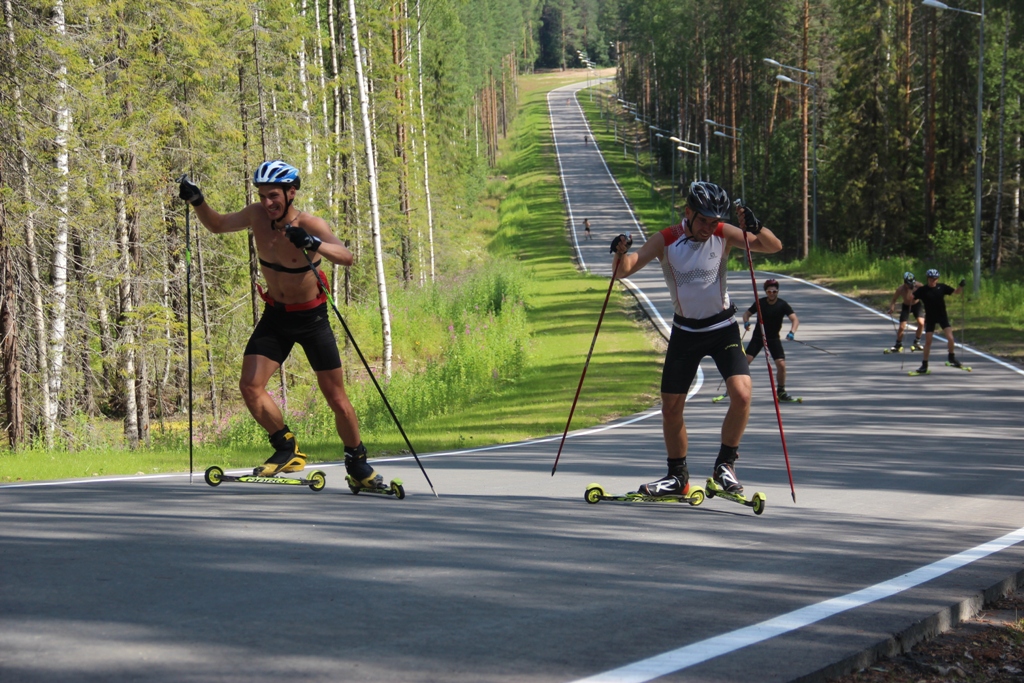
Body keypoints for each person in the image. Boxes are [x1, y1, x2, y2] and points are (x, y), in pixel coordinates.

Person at [177, 161, 387, 489]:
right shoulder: (256, 216)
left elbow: (347, 257)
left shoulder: (310, 223)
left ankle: (357, 464)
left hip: (312, 318)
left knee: (336, 397)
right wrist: (198, 201)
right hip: (276, 317)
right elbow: (217, 225)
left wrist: (312, 243)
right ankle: (286, 447)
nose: (266, 203)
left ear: (291, 193)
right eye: (261, 195)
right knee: (250, 386)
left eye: (273, 195)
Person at [610, 181, 782, 496]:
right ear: (688, 212)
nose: (708, 227)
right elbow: (625, 270)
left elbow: (773, 246)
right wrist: (621, 252)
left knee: (742, 395)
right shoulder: (666, 239)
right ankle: (677, 477)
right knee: (671, 407)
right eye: (703, 219)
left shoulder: (723, 233)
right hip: (686, 332)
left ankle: (725, 465)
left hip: (722, 327)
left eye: (714, 220)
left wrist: (756, 226)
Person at [742, 278, 799, 401]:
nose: (772, 294)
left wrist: (792, 332)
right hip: (759, 337)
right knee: (744, 363)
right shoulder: (760, 303)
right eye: (769, 292)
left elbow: (795, 319)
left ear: (777, 292)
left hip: (773, 338)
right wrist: (746, 323)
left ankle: (781, 391)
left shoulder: (782, 305)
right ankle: (736, 387)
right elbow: (746, 314)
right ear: (766, 292)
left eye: (774, 291)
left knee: (781, 365)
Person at [910, 269, 966, 375]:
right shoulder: (923, 290)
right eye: (931, 279)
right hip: (930, 317)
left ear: (937, 279)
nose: (933, 281)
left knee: (950, 338)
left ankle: (951, 357)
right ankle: (924, 365)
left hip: (942, 316)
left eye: (935, 279)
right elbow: (912, 298)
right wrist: (911, 294)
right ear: (928, 278)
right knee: (928, 341)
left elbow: (956, 292)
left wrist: (961, 286)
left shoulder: (942, 287)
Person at [886, 272, 924, 353]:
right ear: (905, 283)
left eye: (912, 284)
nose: (911, 286)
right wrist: (892, 308)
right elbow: (894, 299)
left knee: (921, 323)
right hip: (906, 306)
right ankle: (898, 344)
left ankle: (917, 341)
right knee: (902, 327)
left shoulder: (919, 285)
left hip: (917, 305)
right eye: (909, 284)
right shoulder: (900, 289)